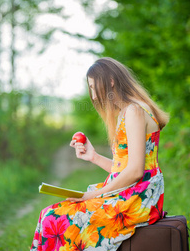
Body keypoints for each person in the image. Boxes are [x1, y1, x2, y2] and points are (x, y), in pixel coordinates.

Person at [30, 57, 169, 251]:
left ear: (111, 81)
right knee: (50, 215)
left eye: (94, 87)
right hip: (131, 192)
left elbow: (136, 171)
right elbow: (124, 168)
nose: (93, 96)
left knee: (52, 218)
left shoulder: (133, 111)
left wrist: (93, 195)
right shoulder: (126, 112)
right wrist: (93, 156)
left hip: (139, 198)